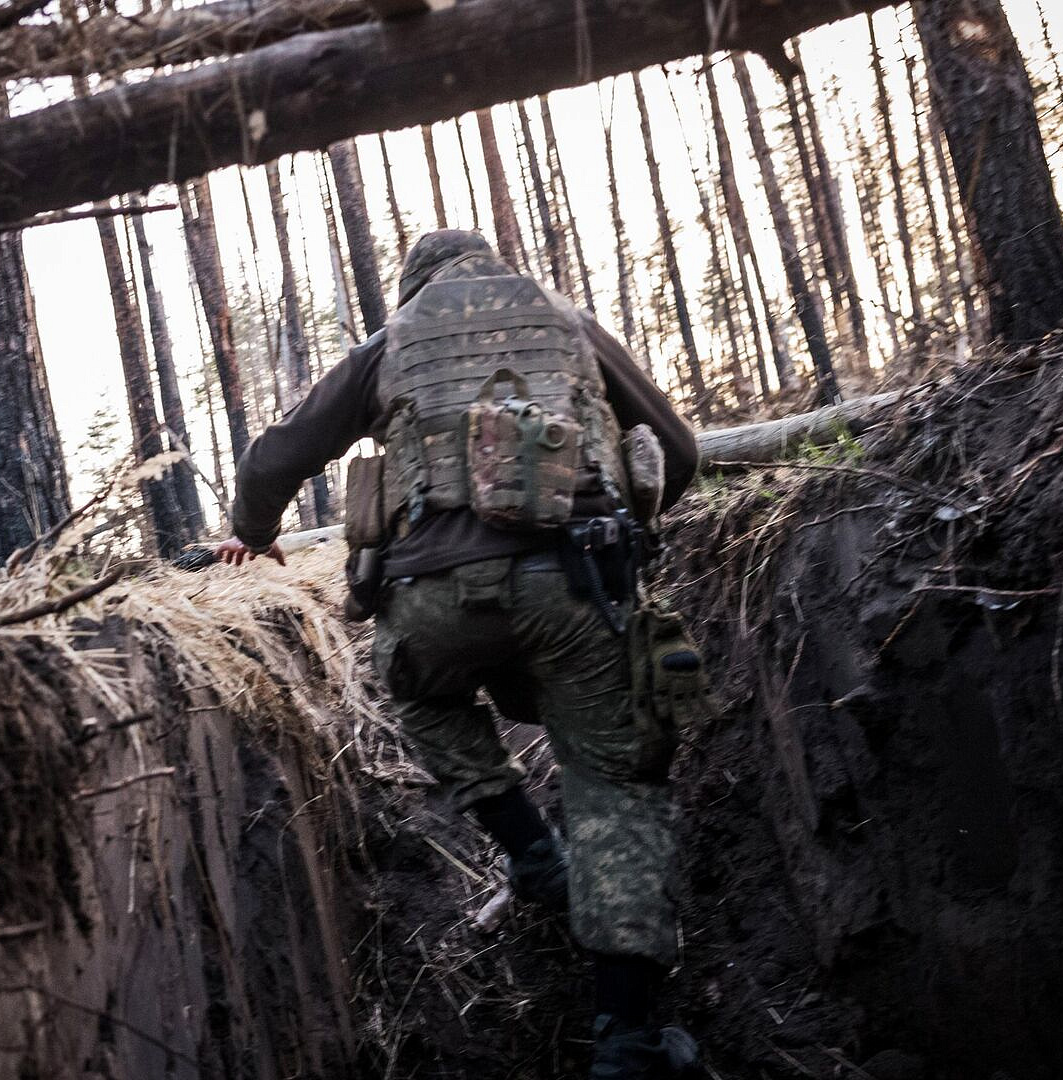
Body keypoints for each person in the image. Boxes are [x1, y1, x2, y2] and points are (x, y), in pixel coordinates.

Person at [218, 230, 701, 1078]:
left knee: (418, 694)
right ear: (494, 267)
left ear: (413, 286)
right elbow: (681, 449)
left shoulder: (391, 342)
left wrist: (253, 535)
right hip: (576, 583)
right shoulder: (568, 323)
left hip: (432, 597)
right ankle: (628, 1042)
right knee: (614, 792)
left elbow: (274, 458)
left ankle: (530, 853)